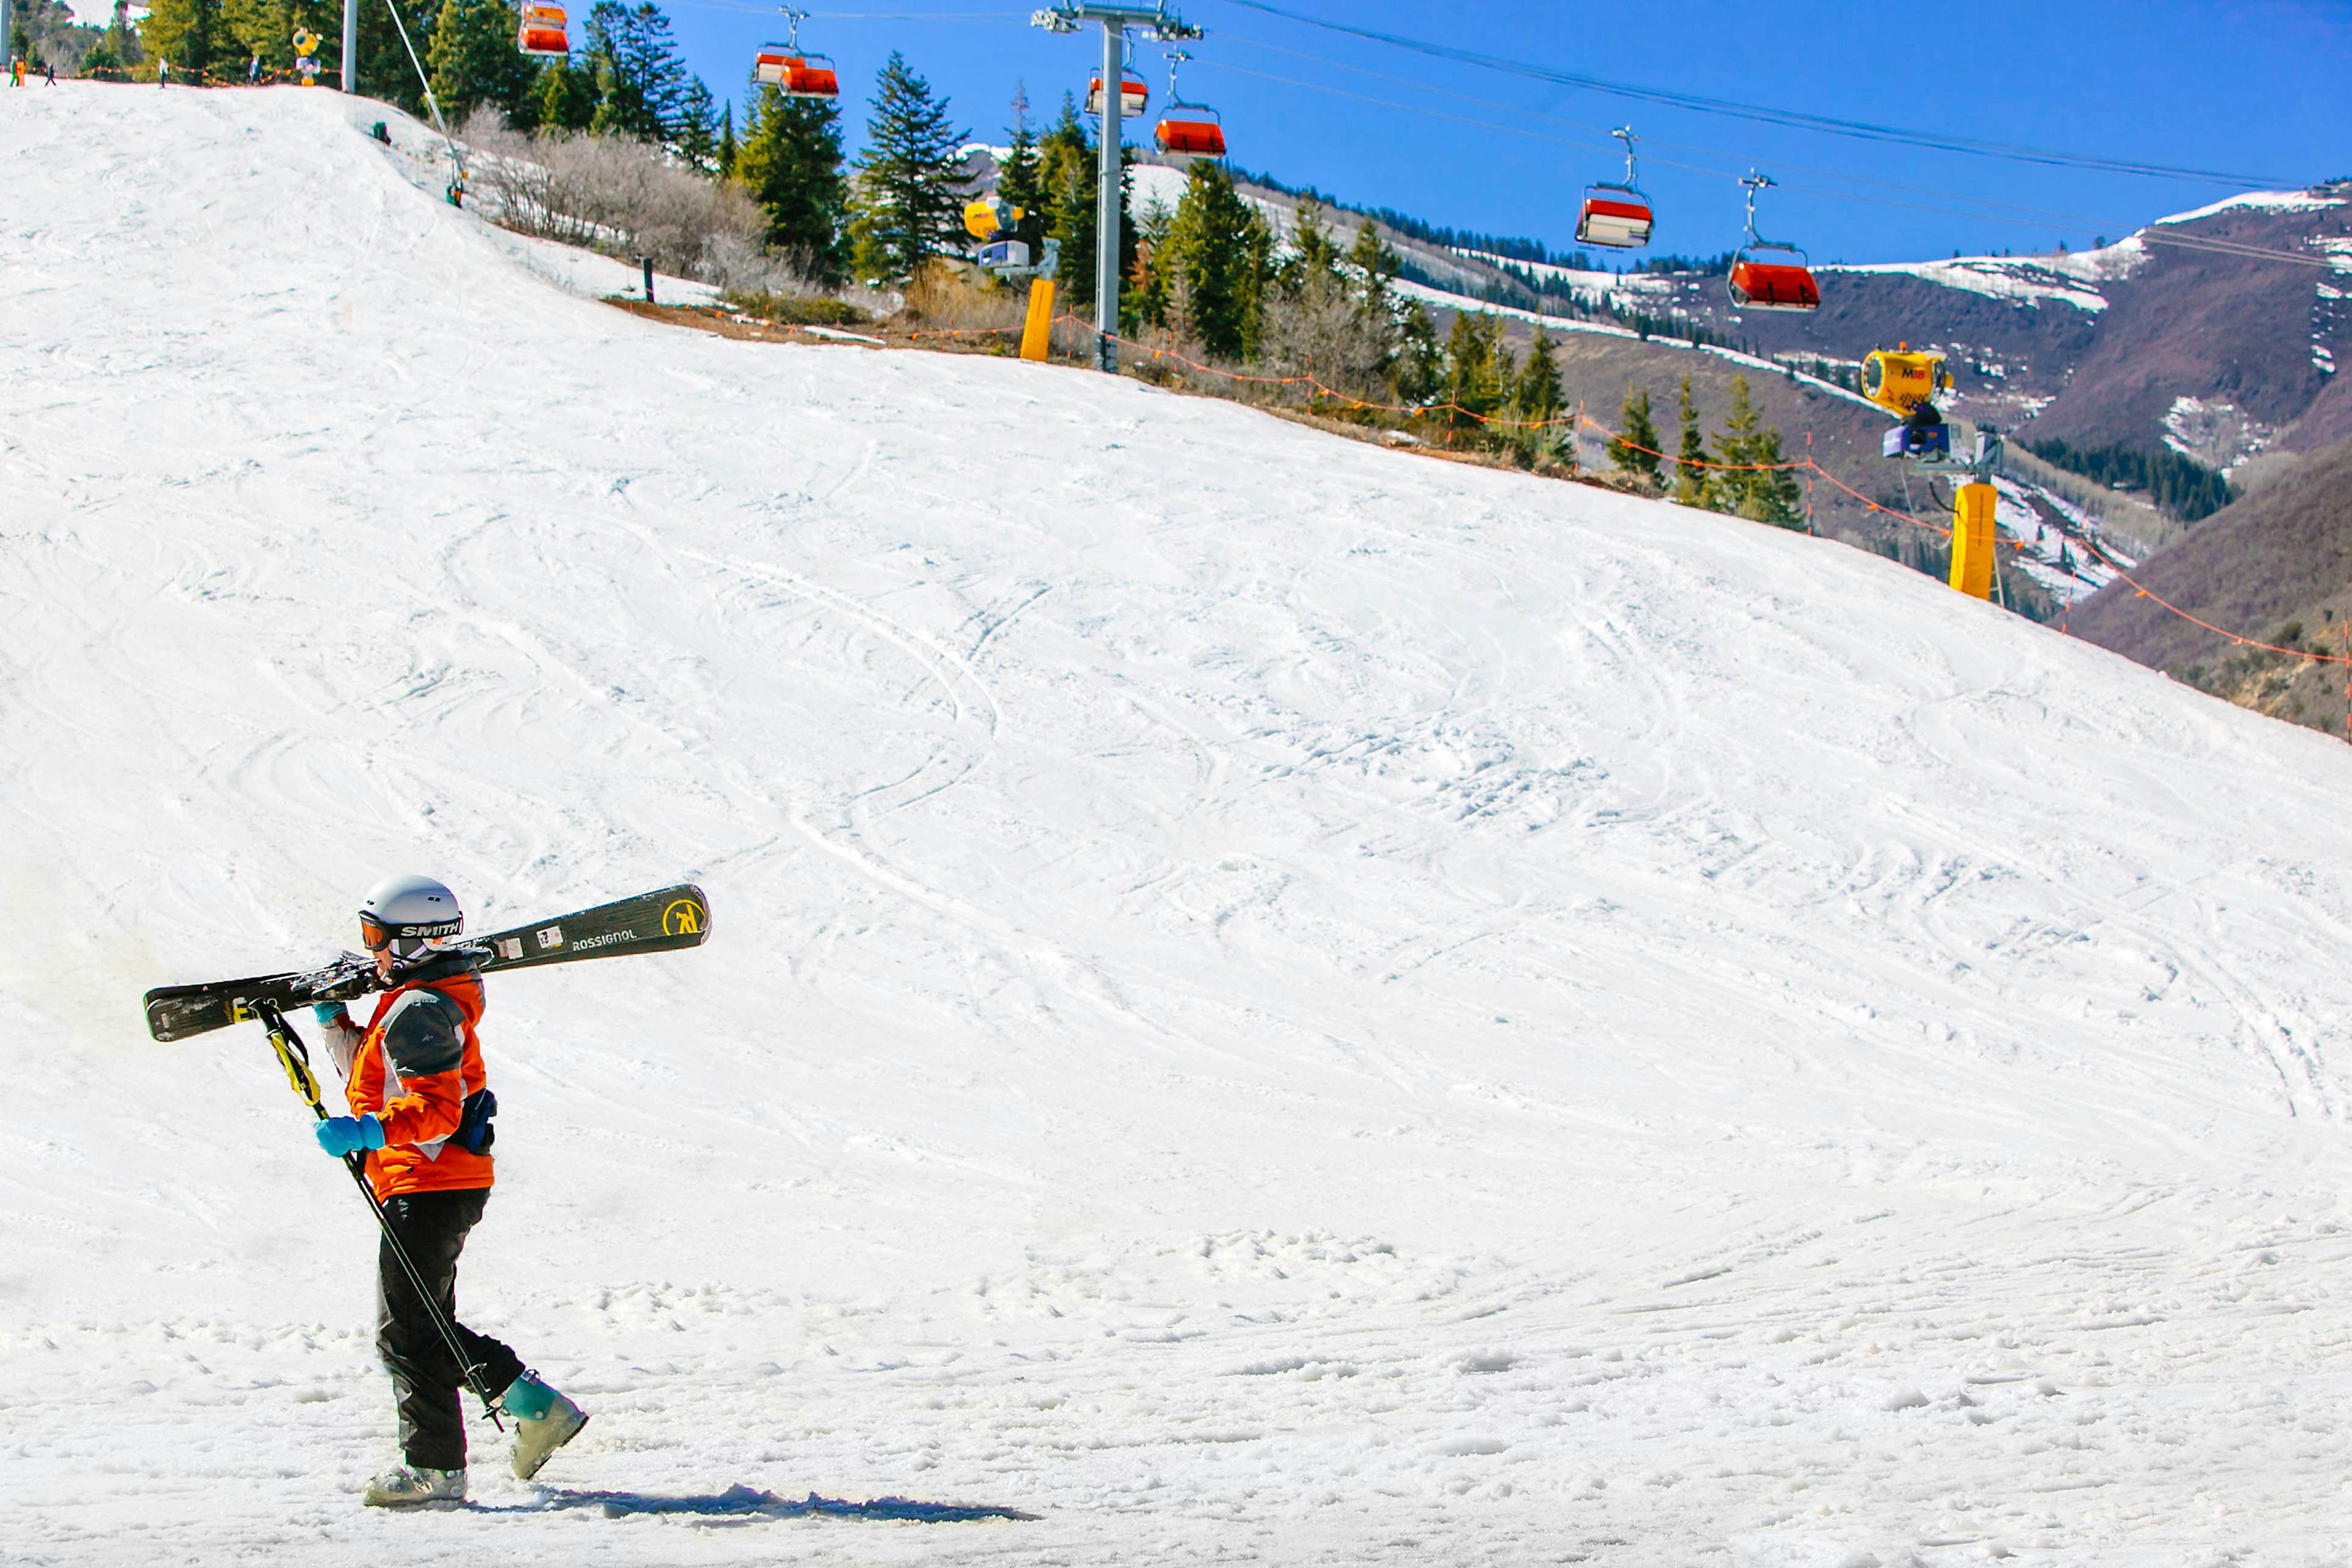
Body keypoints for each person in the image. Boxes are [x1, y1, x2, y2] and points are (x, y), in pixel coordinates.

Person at [311, 874, 589, 1507]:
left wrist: (368, 1129)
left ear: (410, 941)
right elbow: (379, 1077)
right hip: (433, 1180)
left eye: (374, 936)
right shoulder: (417, 1000)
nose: (369, 948)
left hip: (430, 1182)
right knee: (423, 1322)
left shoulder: (422, 1008)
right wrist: (335, 1025)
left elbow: (434, 1110)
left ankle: (437, 1470)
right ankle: (535, 1406)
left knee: (406, 1331)